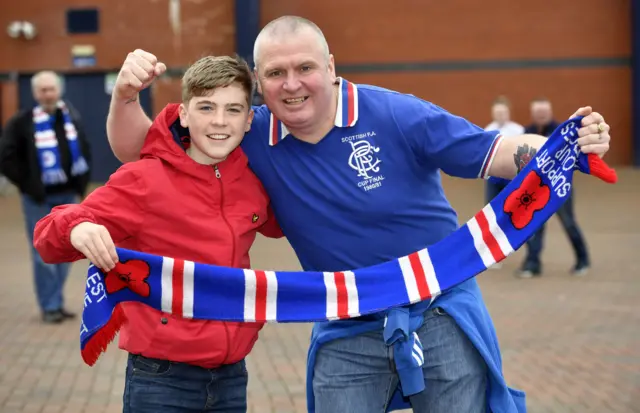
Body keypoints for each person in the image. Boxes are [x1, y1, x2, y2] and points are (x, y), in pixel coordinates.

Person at [104, 16, 611, 413]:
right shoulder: (247, 130)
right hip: (346, 324)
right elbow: (141, 149)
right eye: (276, 74)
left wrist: (563, 145)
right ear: (259, 82)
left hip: (439, 314)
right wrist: (125, 95)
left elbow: (498, 151)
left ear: (330, 66)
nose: (292, 84)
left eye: (305, 68)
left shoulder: (394, 113)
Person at [33, 56, 282, 413]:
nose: (219, 121)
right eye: (206, 107)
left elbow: (292, 222)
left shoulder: (252, 182)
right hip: (162, 379)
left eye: (233, 110)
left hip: (232, 376)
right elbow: (47, 234)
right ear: (183, 114)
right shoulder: (145, 179)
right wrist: (78, 226)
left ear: (247, 121)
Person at [0, 71, 92, 324]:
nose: (48, 94)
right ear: (35, 93)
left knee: (68, 251)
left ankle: (55, 301)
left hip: (68, 196)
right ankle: (50, 305)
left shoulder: (71, 117)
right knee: (43, 253)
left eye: (51, 89)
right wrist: (29, 185)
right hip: (38, 200)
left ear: (59, 90)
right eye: (43, 90)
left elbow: (83, 148)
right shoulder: (22, 122)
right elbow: (6, 158)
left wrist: (81, 185)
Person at [517, 97, 590, 278]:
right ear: (533, 114)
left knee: (568, 223)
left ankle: (583, 259)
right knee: (534, 226)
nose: (541, 116)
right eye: (538, 113)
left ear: (550, 113)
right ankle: (533, 263)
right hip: (535, 188)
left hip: (559, 186)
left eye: (544, 112)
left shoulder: (561, 131)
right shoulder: (526, 132)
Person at [483, 96, 526, 269]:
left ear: (508, 112)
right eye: (497, 112)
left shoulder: (518, 130)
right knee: (491, 216)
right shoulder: (488, 130)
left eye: (503, 112)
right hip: (493, 179)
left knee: (517, 214)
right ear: (493, 113)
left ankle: (523, 250)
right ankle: (492, 255)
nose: (500, 115)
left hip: (512, 179)